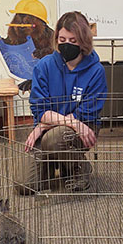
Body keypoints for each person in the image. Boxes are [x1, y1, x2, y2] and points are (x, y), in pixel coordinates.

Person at [16, 11, 108, 194]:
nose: (66, 45)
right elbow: (40, 109)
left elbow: (86, 112)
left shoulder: (96, 70)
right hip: (52, 125)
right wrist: (47, 124)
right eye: (62, 39)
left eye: (73, 41)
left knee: (55, 139)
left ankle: (79, 167)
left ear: (83, 41)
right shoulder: (45, 66)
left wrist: (46, 126)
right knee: (25, 186)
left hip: (82, 126)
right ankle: (56, 161)